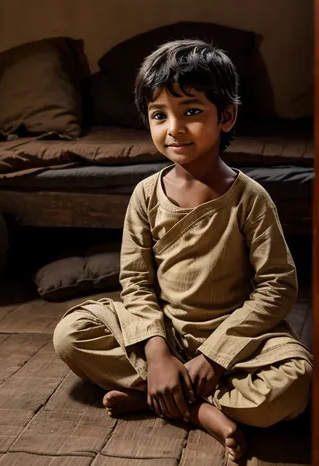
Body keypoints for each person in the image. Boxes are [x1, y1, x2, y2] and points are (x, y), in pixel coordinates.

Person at [53, 39, 312, 462]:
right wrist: (157, 353)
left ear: (226, 116)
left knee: (294, 385)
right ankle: (192, 404)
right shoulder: (145, 195)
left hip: (240, 342)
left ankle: (163, 398)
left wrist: (215, 356)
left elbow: (277, 288)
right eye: (160, 115)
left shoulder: (250, 198)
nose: (174, 128)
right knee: (71, 333)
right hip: (165, 332)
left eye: (191, 111)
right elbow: (135, 282)